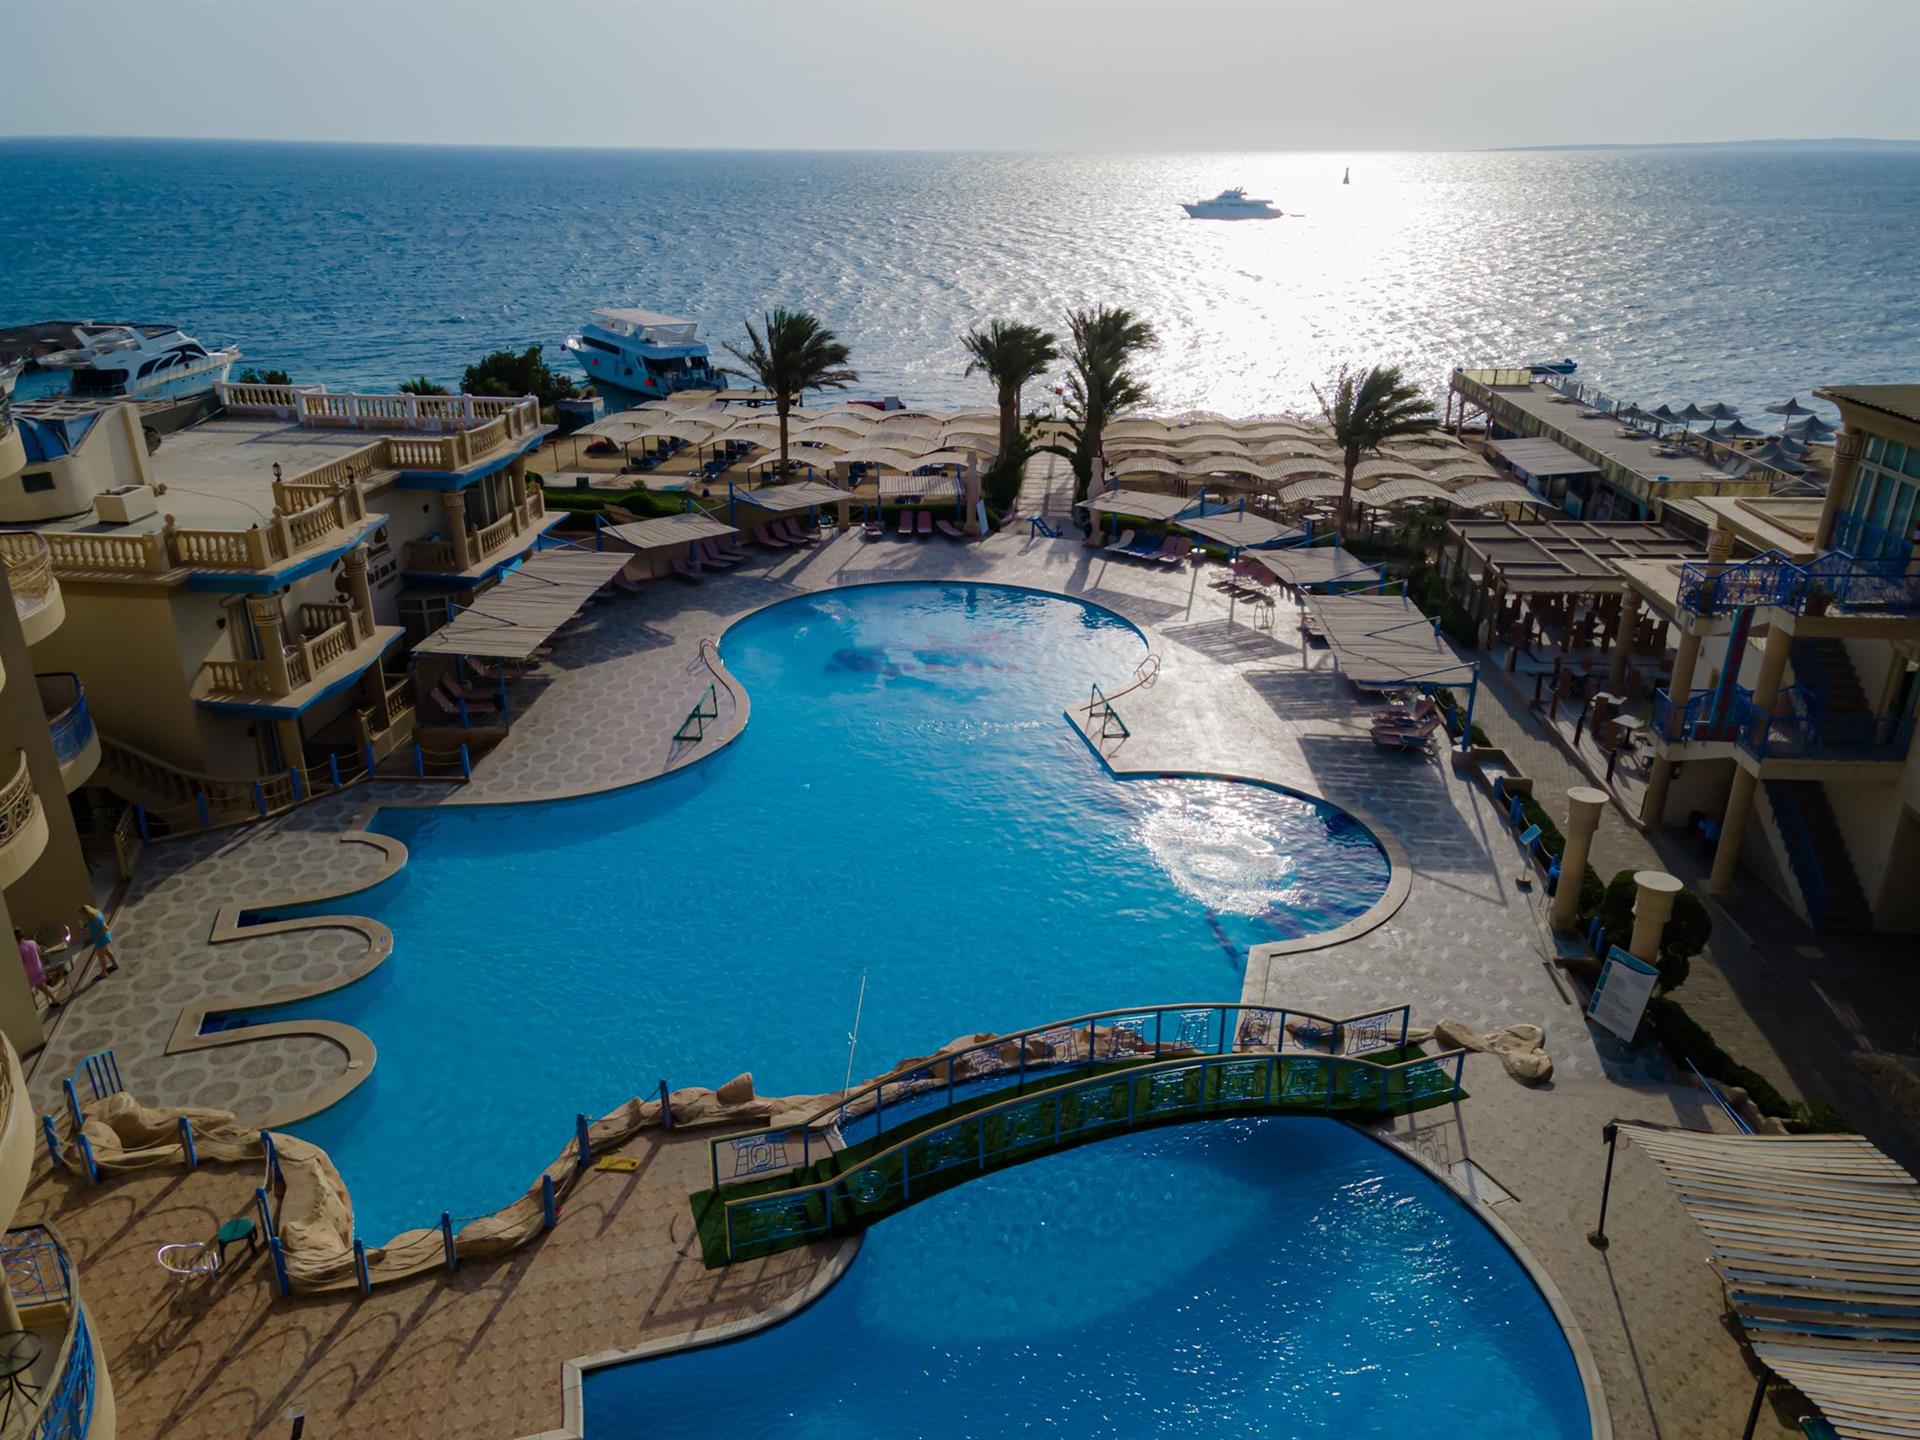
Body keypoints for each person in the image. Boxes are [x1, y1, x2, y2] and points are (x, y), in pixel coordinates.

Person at [15, 929, 58, 1010]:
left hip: (30, 972)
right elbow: (39, 954)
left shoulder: (19, 949)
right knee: (41, 986)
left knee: (25, 988)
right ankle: (52, 1000)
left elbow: (22, 962)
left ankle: (36, 1005)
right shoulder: (32, 943)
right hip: (39, 968)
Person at [81, 904, 119, 976]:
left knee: (101, 955)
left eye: (84, 914)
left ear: (87, 913)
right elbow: (94, 926)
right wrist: (86, 927)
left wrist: (99, 936)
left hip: (101, 939)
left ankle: (104, 972)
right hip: (100, 939)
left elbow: (105, 928)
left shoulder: (96, 919)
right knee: (107, 952)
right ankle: (115, 964)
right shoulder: (94, 916)